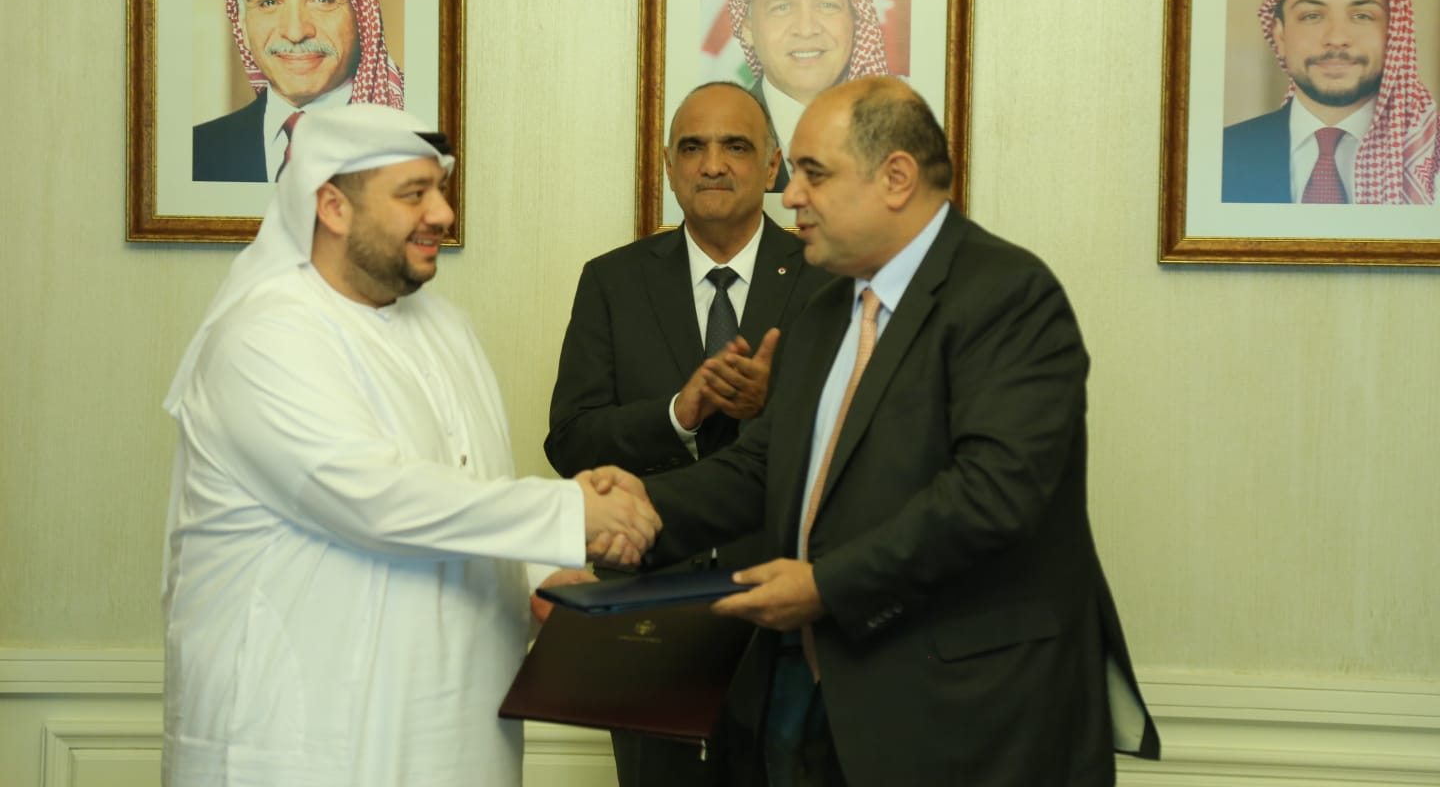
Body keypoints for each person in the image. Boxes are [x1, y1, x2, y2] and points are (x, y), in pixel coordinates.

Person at [612, 77, 1161, 784]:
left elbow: (993, 494)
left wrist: (825, 585)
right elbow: (764, 467)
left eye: (814, 173)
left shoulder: (1007, 295)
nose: (790, 196)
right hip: (823, 708)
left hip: (973, 717)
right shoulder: (823, 311)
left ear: (896, 177)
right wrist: (631, 511)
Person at [160, 104, 658, 787]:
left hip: (458, 729)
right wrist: (573, 513)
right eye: (413, 193)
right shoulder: (265, 336)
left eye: (440, 190)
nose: (443, 214)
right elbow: (374, 498)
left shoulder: (446, 327)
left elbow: (467, 491)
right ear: (332, 207)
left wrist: (540, 573)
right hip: (304, 734)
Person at [544, 81, 829, 786]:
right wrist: (677, 414)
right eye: (693, 148)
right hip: (650, 613)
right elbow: (571, 441)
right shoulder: (612, 280)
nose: (713, 164)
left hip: (786, 606)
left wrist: (772, 403)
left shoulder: (828, 279)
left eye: (736, 147)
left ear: (773, 166)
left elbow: (869, 438)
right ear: (669, 166)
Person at [1223, 0, 1438, 204]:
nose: (1336, 38)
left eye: (1362, 16)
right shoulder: (1222, 154)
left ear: (1394, 33)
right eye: (1312, 16)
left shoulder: (1431, 155)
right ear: (1280, 35)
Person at [193, 0, 404, 183]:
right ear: (243, 25)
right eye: (268, 3)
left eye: (322, 0)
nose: (295, 32)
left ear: (361, 17)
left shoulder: (411, 141)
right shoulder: (198, 150)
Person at [726, 0, 892, 189]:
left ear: (855, 20)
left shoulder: (898, 133)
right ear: (748, 30)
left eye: (827, 5)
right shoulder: (721, 131)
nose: (806, 29)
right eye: (781, 7)